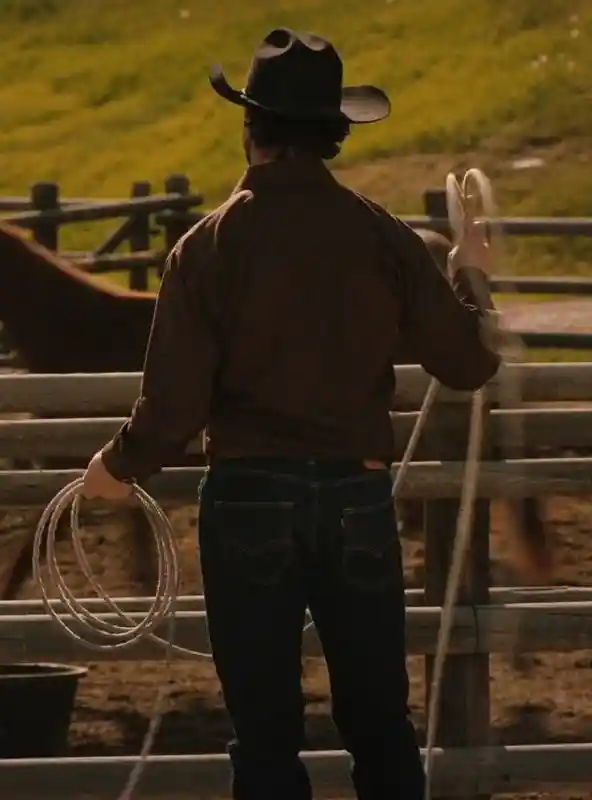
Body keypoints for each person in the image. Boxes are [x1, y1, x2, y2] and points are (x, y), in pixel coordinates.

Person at [82, 27, 501, 800]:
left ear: (252, 128)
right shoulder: (382, 236)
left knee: (265, 732)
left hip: (248, 498)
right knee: (380, 722)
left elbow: (174, 406)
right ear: (334, 134)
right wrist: (470, 278)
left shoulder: (208, 247)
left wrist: (117, 466)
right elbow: (469, 363)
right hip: (356, 497)